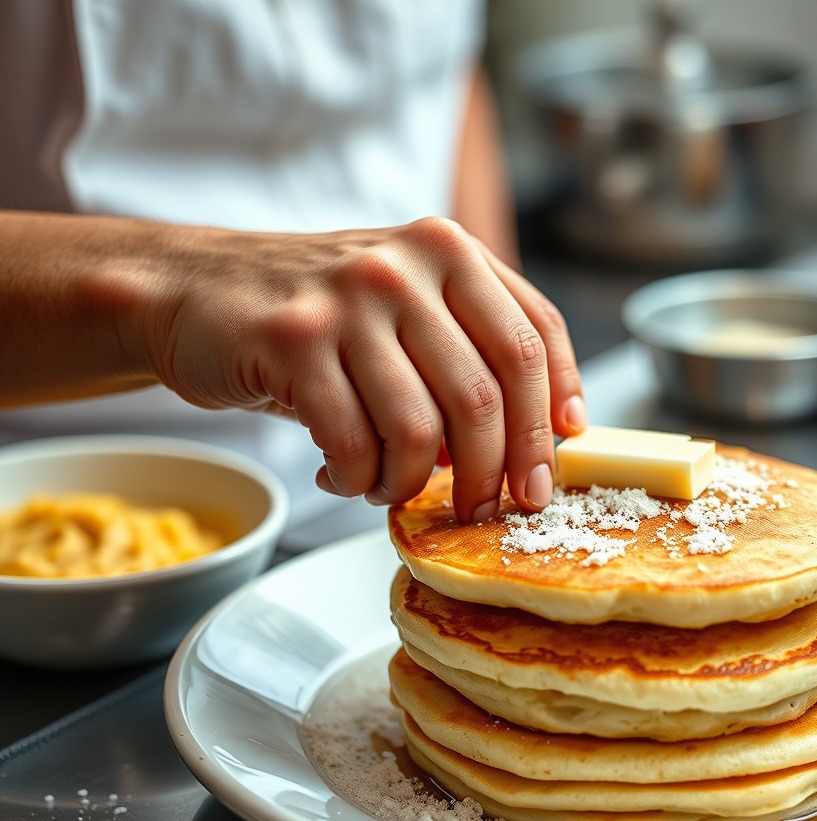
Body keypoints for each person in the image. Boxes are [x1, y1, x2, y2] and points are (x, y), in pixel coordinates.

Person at [0, 0, 587, 524]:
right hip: (55, 495)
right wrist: (169, 292)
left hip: (420, 482)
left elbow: (440, 73)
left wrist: (489, 348)